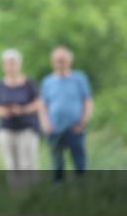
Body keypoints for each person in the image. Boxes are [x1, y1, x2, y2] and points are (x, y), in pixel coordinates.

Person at [0, 49, 42, 191]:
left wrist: (22, 110)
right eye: (8, 63)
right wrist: (4, 112)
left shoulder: (29, 84)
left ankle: (31, 192)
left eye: (13, 63)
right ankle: (16, 193)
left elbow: (39, 104)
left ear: (19, 64)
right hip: (7, 128)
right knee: (11, 164)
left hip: (26, 128)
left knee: (27, 163)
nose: (10, 66)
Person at [39, 46, 93, 182]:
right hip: (54, 129)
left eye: (63, 60)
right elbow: (42, 105)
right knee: (57, 164)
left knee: (79, 163)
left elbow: (87, 101)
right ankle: (59, 191)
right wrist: (45, 124)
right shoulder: (47, 81)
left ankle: (82, 190)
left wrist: (83, 122)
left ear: (70, 61)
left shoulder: (79, 79)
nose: (60, 63)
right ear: (52, 62)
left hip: (75, 128)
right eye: (57, 60)